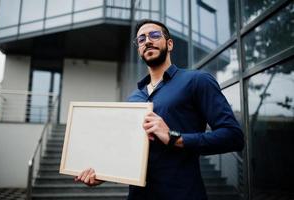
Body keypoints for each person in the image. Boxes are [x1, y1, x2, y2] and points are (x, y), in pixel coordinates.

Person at [75, 19, 244, 200]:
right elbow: (128, 152)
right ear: (139, 50)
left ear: (169, 44)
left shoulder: (197, 80)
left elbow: (233, 137)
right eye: (141, 39)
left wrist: (174, 138)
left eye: (154, 35)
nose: (147, 41)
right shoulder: (134, 98)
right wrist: (104, 173)